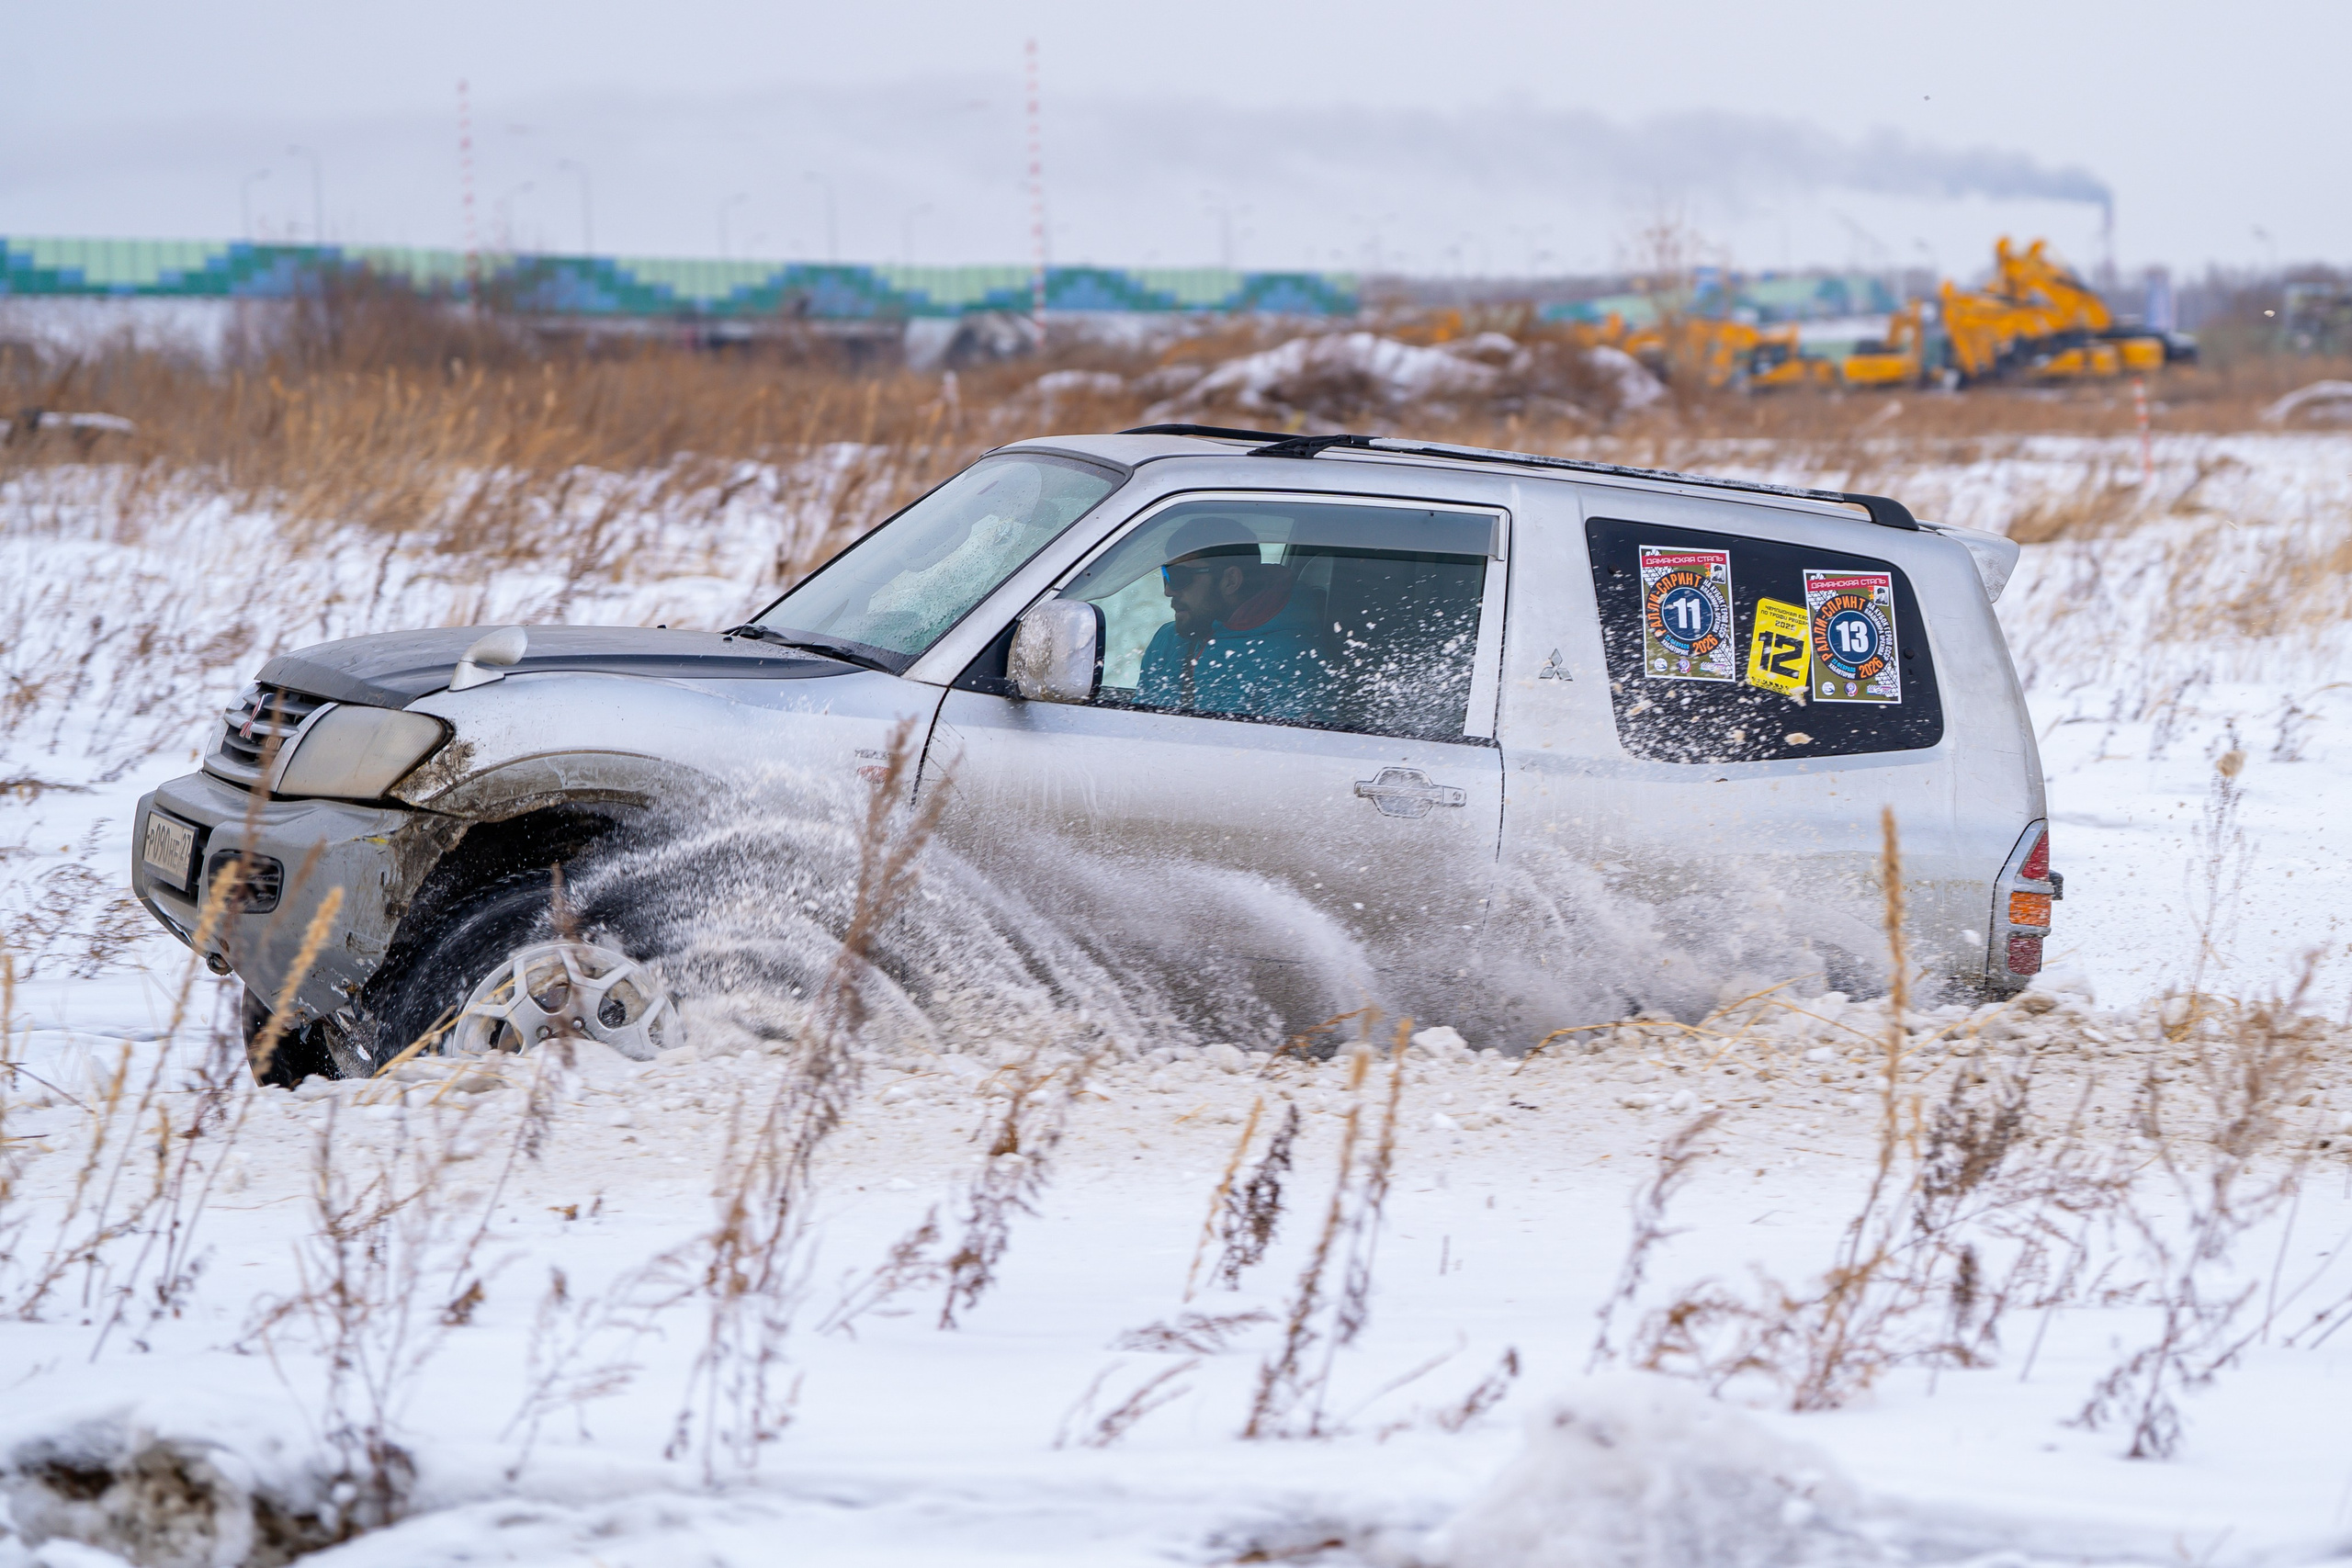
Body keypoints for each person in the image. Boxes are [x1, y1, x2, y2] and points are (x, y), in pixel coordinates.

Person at [1135, 517, 1328, 722]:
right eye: (1165, 575)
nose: (1168, 591)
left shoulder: (1292, 661)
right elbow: (1138, 723)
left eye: (1179, 576)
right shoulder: (1167, 641)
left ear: (1231, 581)